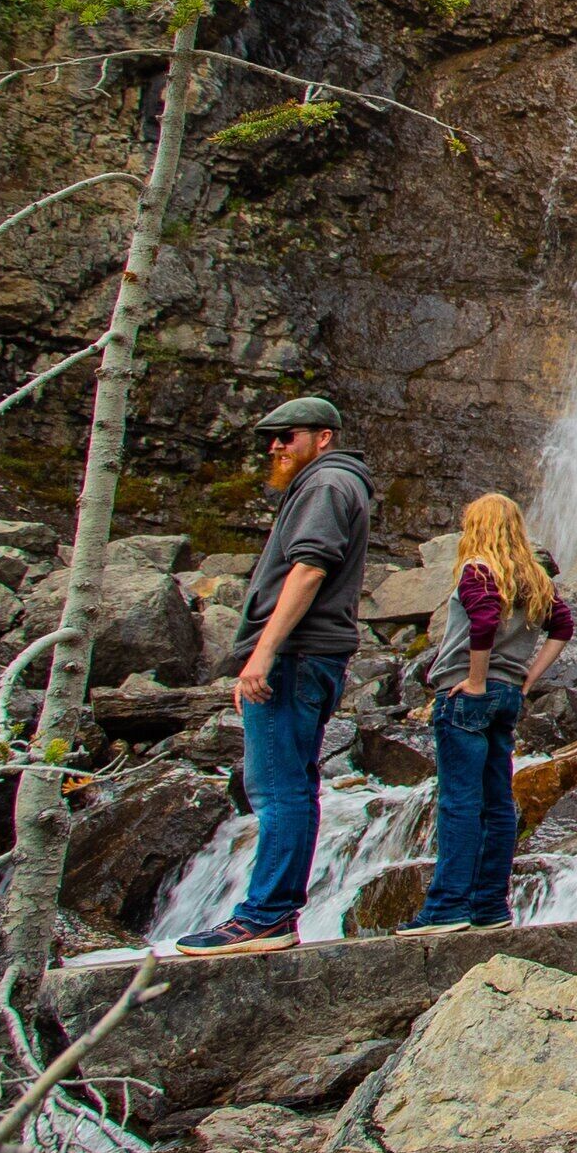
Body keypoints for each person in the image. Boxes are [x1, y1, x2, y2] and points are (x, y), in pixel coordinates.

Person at [179, 394, 375, 957]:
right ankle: (274, 911)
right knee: (292, 786)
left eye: (287, 435)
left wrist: (261, 654)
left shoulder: (325, 486)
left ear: (323, 437)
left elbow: (309, 568)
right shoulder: (338, 484)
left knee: (276, 788)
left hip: (295, 656)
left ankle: (264, 915)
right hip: (313, 654)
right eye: (272, 436)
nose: (275, 445)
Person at [405, 493, 569, 932]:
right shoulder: (533, 577)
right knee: (496, 804)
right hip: (507, 695)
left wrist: (476, 680)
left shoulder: (477, 569)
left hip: (466, 694)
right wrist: (526, 677)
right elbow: (563, 626)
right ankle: (490, 906)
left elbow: (482, 621)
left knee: (459, 802)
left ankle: (447, 908)